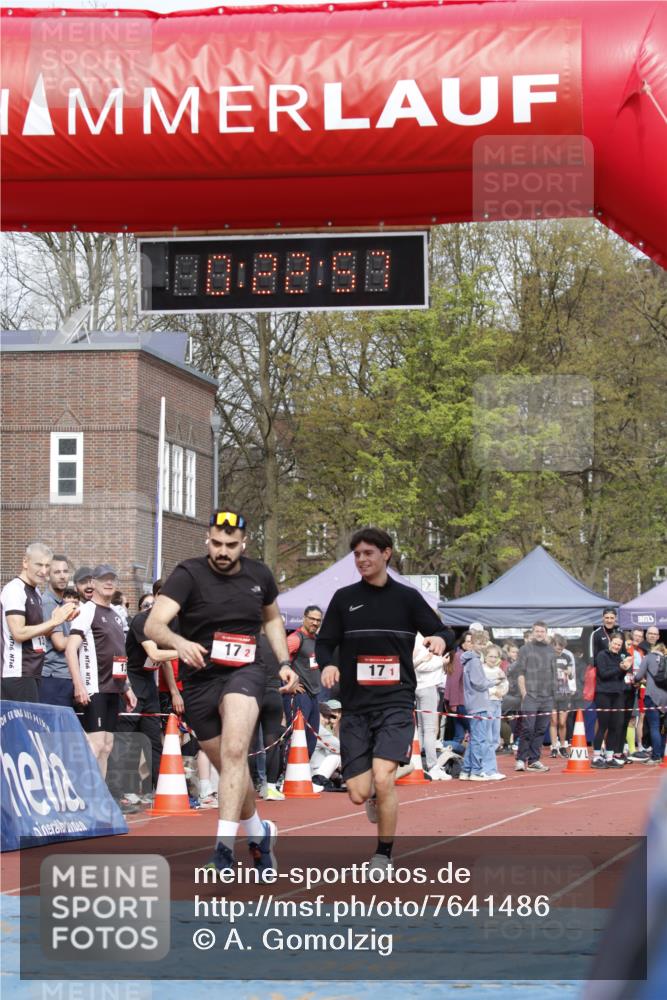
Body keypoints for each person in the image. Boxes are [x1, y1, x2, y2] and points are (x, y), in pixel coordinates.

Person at [144, 509, 298, 875]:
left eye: (230, 545)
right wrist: (179, 642)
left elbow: (272, 618)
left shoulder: (259, 574)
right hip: (200, 679)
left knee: (234, 751)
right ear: (207, 540)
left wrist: (283, 661)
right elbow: (154, 624)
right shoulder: (188, 574)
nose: (223, 551)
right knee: (230, 768)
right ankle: (259, 835)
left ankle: (223, 849)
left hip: (245, 671)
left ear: (244, 543)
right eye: (216, 543)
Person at [315, 526, 454, 874]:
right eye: (357, 555)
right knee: (358, 792)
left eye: (369, 553)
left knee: (383, 776)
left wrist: (440, 640)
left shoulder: (406, 598)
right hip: (355, 706)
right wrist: (329, 664)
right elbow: (325, 642)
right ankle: (376, 794)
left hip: (395, 701)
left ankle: (383, 854)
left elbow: (443, 630)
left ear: (386, 553)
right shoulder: (344, 598)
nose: (362, 560)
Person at [65, 564, 138, 776]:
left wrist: (127, 687)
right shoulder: (87, 611)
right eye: (104, 579)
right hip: (94, 688)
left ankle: (99, 792)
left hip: (113, 689)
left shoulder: (116, 614)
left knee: (106, 746)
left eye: (112, 579)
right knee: (95, 744)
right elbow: (70, 649)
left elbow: (119, 654)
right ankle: (83, 791)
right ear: (93, 583)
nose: (109, 583)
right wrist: (78, 685)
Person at [108, 592, 180, 804]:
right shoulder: (142, 620)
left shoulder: (174, 623)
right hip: (132, 680)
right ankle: (118, 791)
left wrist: (174, 691)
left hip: (149, 683)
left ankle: (162, 788)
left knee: (153, 738)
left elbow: (165, 660)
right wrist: (186, 649)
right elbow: (155, 654)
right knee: (126, 737)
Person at [1, 542, 78, 703]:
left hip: (34, 671)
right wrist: (54, 621)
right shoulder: (15, 589)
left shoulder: (35, 591)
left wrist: (60, 620)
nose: (43, 571)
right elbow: (19, 633)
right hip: (17, 672)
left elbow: (38, 632)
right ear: (25, 562)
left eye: (47, 566)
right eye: (39, 564)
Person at [514, 621, 558, 773]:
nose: (539, 633)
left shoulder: (551, 650)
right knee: (528, 728)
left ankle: (534, 760)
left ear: (546, 633)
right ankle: (521, 759)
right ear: (533, 632)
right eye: (537, 631)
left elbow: (554, 673)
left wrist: (554, 695)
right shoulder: (525, 649)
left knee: (541, 729)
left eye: (542, 631)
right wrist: (524, 694)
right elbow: (520, 673)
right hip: (531, 696)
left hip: (547, 697)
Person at [459, 631, 500, 781]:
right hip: (478, 703)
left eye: (484, 643)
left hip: (474, 702)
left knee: (475, 739)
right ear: (473, 643)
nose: (482, 646)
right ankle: (475, 771)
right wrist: (494, 682)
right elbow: (479, 683)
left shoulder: (470, 659)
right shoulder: (475, 661)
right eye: (479, 643)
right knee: (479, 740)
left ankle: (466, 770)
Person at [284, 605, 323, 757]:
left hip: (314, 695)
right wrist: (289, 685)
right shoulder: (295, 638)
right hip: (299, 695)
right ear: (304, 618)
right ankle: (286, 770)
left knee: (312, 739)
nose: (315, 623)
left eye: (318, 620)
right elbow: (277, 661)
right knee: (296, 737)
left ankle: (304, 771)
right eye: (312, 619)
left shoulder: (316, 640)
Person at [40, 554, 78, 708]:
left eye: (65, 571)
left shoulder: (61, 603)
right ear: (48, 576)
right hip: (54, 677)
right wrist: (83, 635)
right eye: (57, 572)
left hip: (62, 675)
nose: (62, 576)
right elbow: (60, 643)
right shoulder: (49, 603)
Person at [414, 631, 445, 776]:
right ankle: (432, 765)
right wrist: (441, 662)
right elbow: (419, 665)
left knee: (422, 728)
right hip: (427, 686)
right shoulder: (420, 639)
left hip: (421, 686)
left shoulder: (418, 639)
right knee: (429, 729)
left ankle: (418, 763)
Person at [634, 642, 667, 764]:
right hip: (665, 698)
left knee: (654, 726)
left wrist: (637, 680)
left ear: (654, 649)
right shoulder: (665, 659)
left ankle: (655, 756)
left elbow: (638, 676)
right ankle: (661, 754)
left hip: (652, 695)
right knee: (663, 727)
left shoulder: (648, 657)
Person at [550, 634, 576, 758]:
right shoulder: (548, 657)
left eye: (562, 647)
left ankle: (562, 746)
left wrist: (568, 672)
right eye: (558, 647)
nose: (560, 649)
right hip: (551, 693)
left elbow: (571, 675)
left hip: (564, 692)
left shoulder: (567, 657)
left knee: (562, 722)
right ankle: (554, 747)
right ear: (552, 645)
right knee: (553, 721)